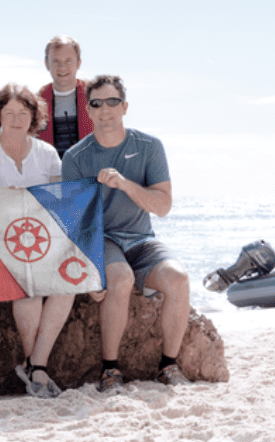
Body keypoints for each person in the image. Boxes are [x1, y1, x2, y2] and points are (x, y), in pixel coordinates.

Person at [61, 75, 191, 393]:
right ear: (88, 111)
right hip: (103, 239)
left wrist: (125, 184)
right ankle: (110, 371)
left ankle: (168, 365)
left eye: (112, 102)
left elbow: (163, 206)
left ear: (125, 107)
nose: (105, 109)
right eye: (96, 103)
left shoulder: (149, 147)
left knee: (178, 278)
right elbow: (75, 224)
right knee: (120, 279)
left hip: (142, 238)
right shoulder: (75, 158)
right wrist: (90, 273)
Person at [0, 84, 68, 398]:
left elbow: (57, 202)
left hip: (40, 239)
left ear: (34, 116)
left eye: (23, 113)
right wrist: (9, 203)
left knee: (68, 286)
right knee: (29, 291)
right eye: (8, 112)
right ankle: (37, 371)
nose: (16, 119)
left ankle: (35, 363)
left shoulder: (47, 153)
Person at [37, 35, 92, 158]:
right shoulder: (36, 103)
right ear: (47, 64)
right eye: (56, 61)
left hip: (89, 172)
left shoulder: (95, 97)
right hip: (51, 173)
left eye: (68, 61)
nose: (62, 67)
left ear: (79, 63)